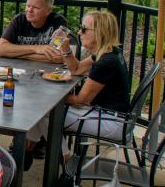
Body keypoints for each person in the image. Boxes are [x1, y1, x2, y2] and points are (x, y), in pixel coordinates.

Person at [48, 10, 131, 160]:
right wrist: (66, 49)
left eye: (84, 29)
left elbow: (81, 100)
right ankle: (29, 150)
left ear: (100, 33)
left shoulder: (106, 62)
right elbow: (77, 69)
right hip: (112, 116)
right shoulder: (109, 52)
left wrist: (52, 97)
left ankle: (65, 158)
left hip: (111, 123)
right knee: (47, 112)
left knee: (46, 115)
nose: (79, 32)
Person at [0, 0, 68, 62]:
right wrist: (36, 48)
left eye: (36, 7)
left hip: (48, 72)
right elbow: (0, 49)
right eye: (28, 6)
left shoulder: (59, 22)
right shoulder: (19, 20)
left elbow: (57, 57)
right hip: (19, 70)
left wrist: (17, 54)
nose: (29, 10)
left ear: (48, 10)